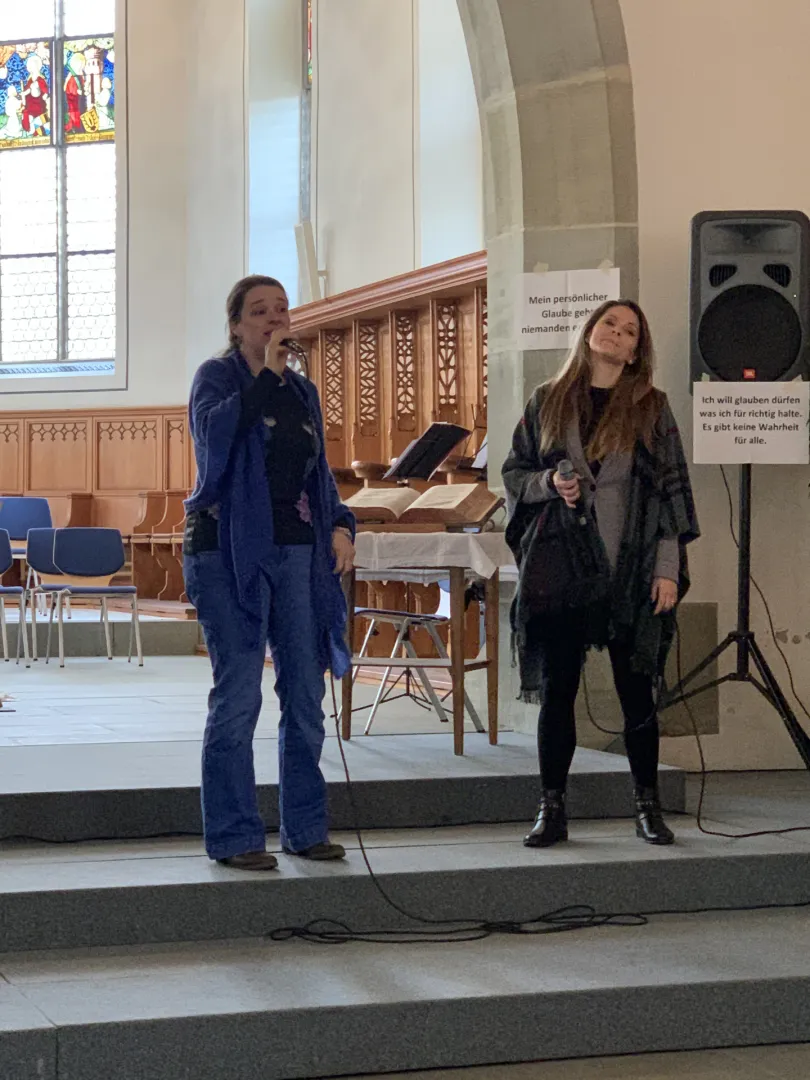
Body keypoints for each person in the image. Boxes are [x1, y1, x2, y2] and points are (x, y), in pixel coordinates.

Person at [502, 299, 699, 849]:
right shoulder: (547, 399)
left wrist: (667, 570)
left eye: (629, 330)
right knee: (558, 690)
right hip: (563, 570)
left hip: (630, 572)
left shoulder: (651, 407)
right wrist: (549, 484)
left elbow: (668, 496)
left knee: (638, 693)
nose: (616, 333)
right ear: (589, 332)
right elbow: (515, 473)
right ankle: (551, 808)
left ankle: (647, 807)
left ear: (636, 350)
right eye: (609, 323)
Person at [184, 275, 356, 871]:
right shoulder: (217, 377)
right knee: (238, 695)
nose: (274, 319)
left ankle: (305, 829)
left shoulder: (301, 391)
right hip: (227, 552)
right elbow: (215, 442)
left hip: (298, 553)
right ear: (236, 325)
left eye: (281, 309)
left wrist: (341, 525)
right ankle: (234, 836)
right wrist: (264, 376)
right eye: (259, 311)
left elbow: (318, 472)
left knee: (305, 694)